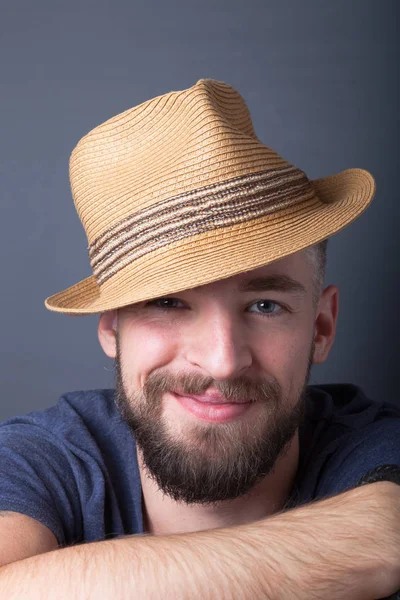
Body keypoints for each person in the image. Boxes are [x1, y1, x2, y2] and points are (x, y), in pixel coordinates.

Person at [0, 79, 399, 598]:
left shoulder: (374, 444)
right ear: (110, 328)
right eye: (168, 303)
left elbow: (385, 532)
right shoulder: (44, 456)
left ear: (321, 327)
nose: (222, 361)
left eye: (265, 306)